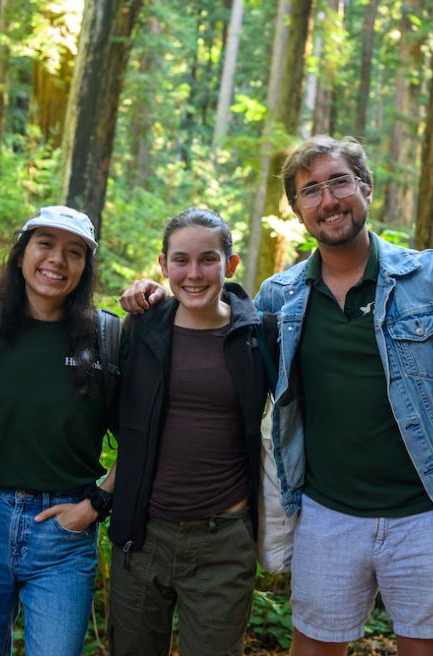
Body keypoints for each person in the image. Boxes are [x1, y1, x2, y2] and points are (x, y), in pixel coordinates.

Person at [121, 136, 433, 656]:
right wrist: (154, 297)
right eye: (310, 190)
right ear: (298, 211)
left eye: (339, 181)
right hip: (326, 517)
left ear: (366, 188)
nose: (328, 200)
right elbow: (211, 316)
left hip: (429, 514)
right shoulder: (281, 297)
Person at [0, 206, 119, 656]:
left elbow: (143, 438)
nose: (57, 260)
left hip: (64, 533)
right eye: (45, 244)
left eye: (74, 252)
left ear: (85, 267)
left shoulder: (106, 337)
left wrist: (96, 504)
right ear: (22, 253)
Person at [108, 208, 275, 655]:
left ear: (230, 264)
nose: (194, 274)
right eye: (181, 260)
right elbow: (114, 418)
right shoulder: (142, 329)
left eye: (208, 259)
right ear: (163, 266)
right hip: (142, 535)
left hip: (224, 540)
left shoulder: (258, 336)